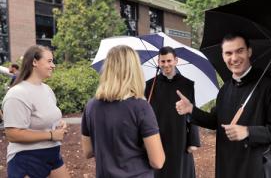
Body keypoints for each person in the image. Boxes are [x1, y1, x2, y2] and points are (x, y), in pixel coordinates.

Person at [175, 33, 271, 178]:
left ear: (249, 51)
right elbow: (216, 121)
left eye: (239, 51)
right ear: (223, 56)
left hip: (256, 169)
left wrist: (248, 131)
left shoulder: (270, 88)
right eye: (228, 53)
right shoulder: (225, 89)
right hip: (227, 166)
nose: (234, 58)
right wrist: (191, 109)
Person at [81, 45, 165, 178]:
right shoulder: (141, 107)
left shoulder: (91, 106)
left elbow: (88, 151)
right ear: (134, 70)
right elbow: (158, 161)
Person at [2, 45, 70, 178]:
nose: (53, 65)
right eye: (49, 61)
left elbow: (46, 117)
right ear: (34, 62)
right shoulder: (17, 94)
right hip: (26, 158)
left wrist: (59, 123)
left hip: (52, 154)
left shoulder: (47, 89)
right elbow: (12, 134)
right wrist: (51, 135)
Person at [145, 46, 200, 178]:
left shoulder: (187, 84)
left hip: (179, 136)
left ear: (176, 61)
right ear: (158, 62)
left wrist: (193, 140)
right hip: (157, 136)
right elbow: (144, 114)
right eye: (162, 61)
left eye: (169, 61)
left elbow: (193, 112)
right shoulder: (149, 85)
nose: (166, 65)